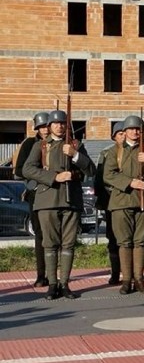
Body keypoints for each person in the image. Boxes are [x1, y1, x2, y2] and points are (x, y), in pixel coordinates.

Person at [22, 109, 96, 299]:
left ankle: (65, 284)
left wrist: (75, 155)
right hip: (47, 199)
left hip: (71, 200)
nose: (59, 126)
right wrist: (54, 177)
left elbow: (90, 169)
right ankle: (52, 284)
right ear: (49, 126)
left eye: (62, 123)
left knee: (68, 244)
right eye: (55, 123)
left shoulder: (75, 144)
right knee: (50, 244)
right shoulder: (41, 146)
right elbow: (28, 169)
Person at [102, 114, 144, 295]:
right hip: (121, 201)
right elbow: (108, 175)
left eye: (138, 129)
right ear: (125, 131)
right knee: (124, 242)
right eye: (131, 129)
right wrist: (130, 182)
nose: (135, 132)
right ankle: (126, 280)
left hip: (143, 202)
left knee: (140, 242)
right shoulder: (115, 151)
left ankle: (139, 279)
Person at [14, 111, 51, 287]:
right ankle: (41, 275)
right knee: (40, 235)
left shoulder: (58, 143)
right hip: (36, 192)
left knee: (55, 237)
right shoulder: (30, 143)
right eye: (41, 127)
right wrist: (41, 173)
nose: (45, 130)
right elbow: (20, 169)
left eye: (47, 126)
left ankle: (55, 275)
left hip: (54, 193)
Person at [94, 121, 125, 285]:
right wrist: (100, 198)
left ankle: (130, 273)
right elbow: (99, 177)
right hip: (110, 199)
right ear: (114, 136)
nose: (123, 136)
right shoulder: (106, 153)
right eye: (120, 134)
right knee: (113, 238)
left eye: (124, 133)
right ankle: (115, 272)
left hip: (128, 198)